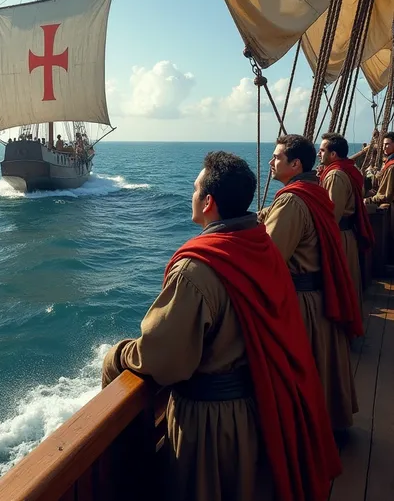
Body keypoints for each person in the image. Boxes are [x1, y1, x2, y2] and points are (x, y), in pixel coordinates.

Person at [102, 151, 340, 501]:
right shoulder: (261, 246)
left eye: (195, 189)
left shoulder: (197, 271)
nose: (191, 195)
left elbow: (164, 360)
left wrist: (119, 356)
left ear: (209, 202)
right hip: (259, 407)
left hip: (210, 428)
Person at [259, 135, 362, 433]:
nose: (270, 161)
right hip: (318, 295)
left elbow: (273, 258)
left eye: (276, 157)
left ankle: (306, 432)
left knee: (301, 369)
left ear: (295, 164)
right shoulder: (312, 190)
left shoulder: (291, 199)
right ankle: (328, 423)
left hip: (301, 301)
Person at [318, 132, 374, 314]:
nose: (319, 154)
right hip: (347, 235)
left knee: (341, 282)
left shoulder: (335, 176)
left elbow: (332, 214)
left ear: (333, 154)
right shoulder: (350, 170)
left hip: (339, 237)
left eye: (322, 150)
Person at [364, 131, 394, 208]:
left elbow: (386, 195)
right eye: (383, 144)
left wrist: (369, 200)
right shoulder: (388, 163)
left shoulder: (391, 167)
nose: (384, 147)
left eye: (387, 144)